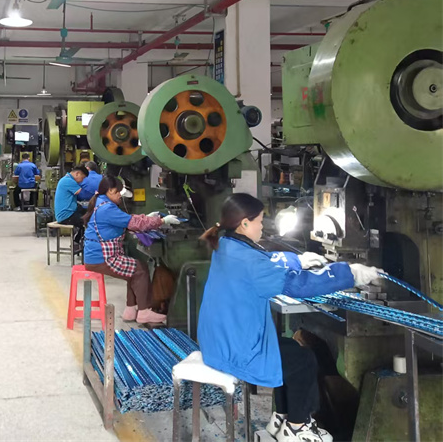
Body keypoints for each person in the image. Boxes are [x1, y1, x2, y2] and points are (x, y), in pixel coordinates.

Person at [197, 193, 384, 442]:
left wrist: (298, 260)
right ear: (244, 223)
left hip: (219, 343)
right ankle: (298, 427)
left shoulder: (226, 246)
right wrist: (349, 274)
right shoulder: (250, 262)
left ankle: (281, 418)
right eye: (260, 221)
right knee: (303, 360)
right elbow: (299, 285)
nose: (262, 227)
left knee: (290, 350)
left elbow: (266, 260)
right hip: (236, 352)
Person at [83, 175, 180, 326]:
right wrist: (161, 221)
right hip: (102, 258)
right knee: (140, 270)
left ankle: (130, 309)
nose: (120, 196)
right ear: (110, 191)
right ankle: (144, 312)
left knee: (133, 269)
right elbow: (133, 223)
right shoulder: (107, 208)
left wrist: (145, 217)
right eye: (118, 192)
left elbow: (124, 219)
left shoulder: (101, 203)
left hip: (96, 256)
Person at [54, 165, 89, 245]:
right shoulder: (68, 181)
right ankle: (77, 243)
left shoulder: (66, 179)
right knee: (87, 221)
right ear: (77, 174)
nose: (82, 181)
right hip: (66, 216)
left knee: (87, 212)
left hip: (69, 212)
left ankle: (77, 242)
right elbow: (83, 195)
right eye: (82, 178)